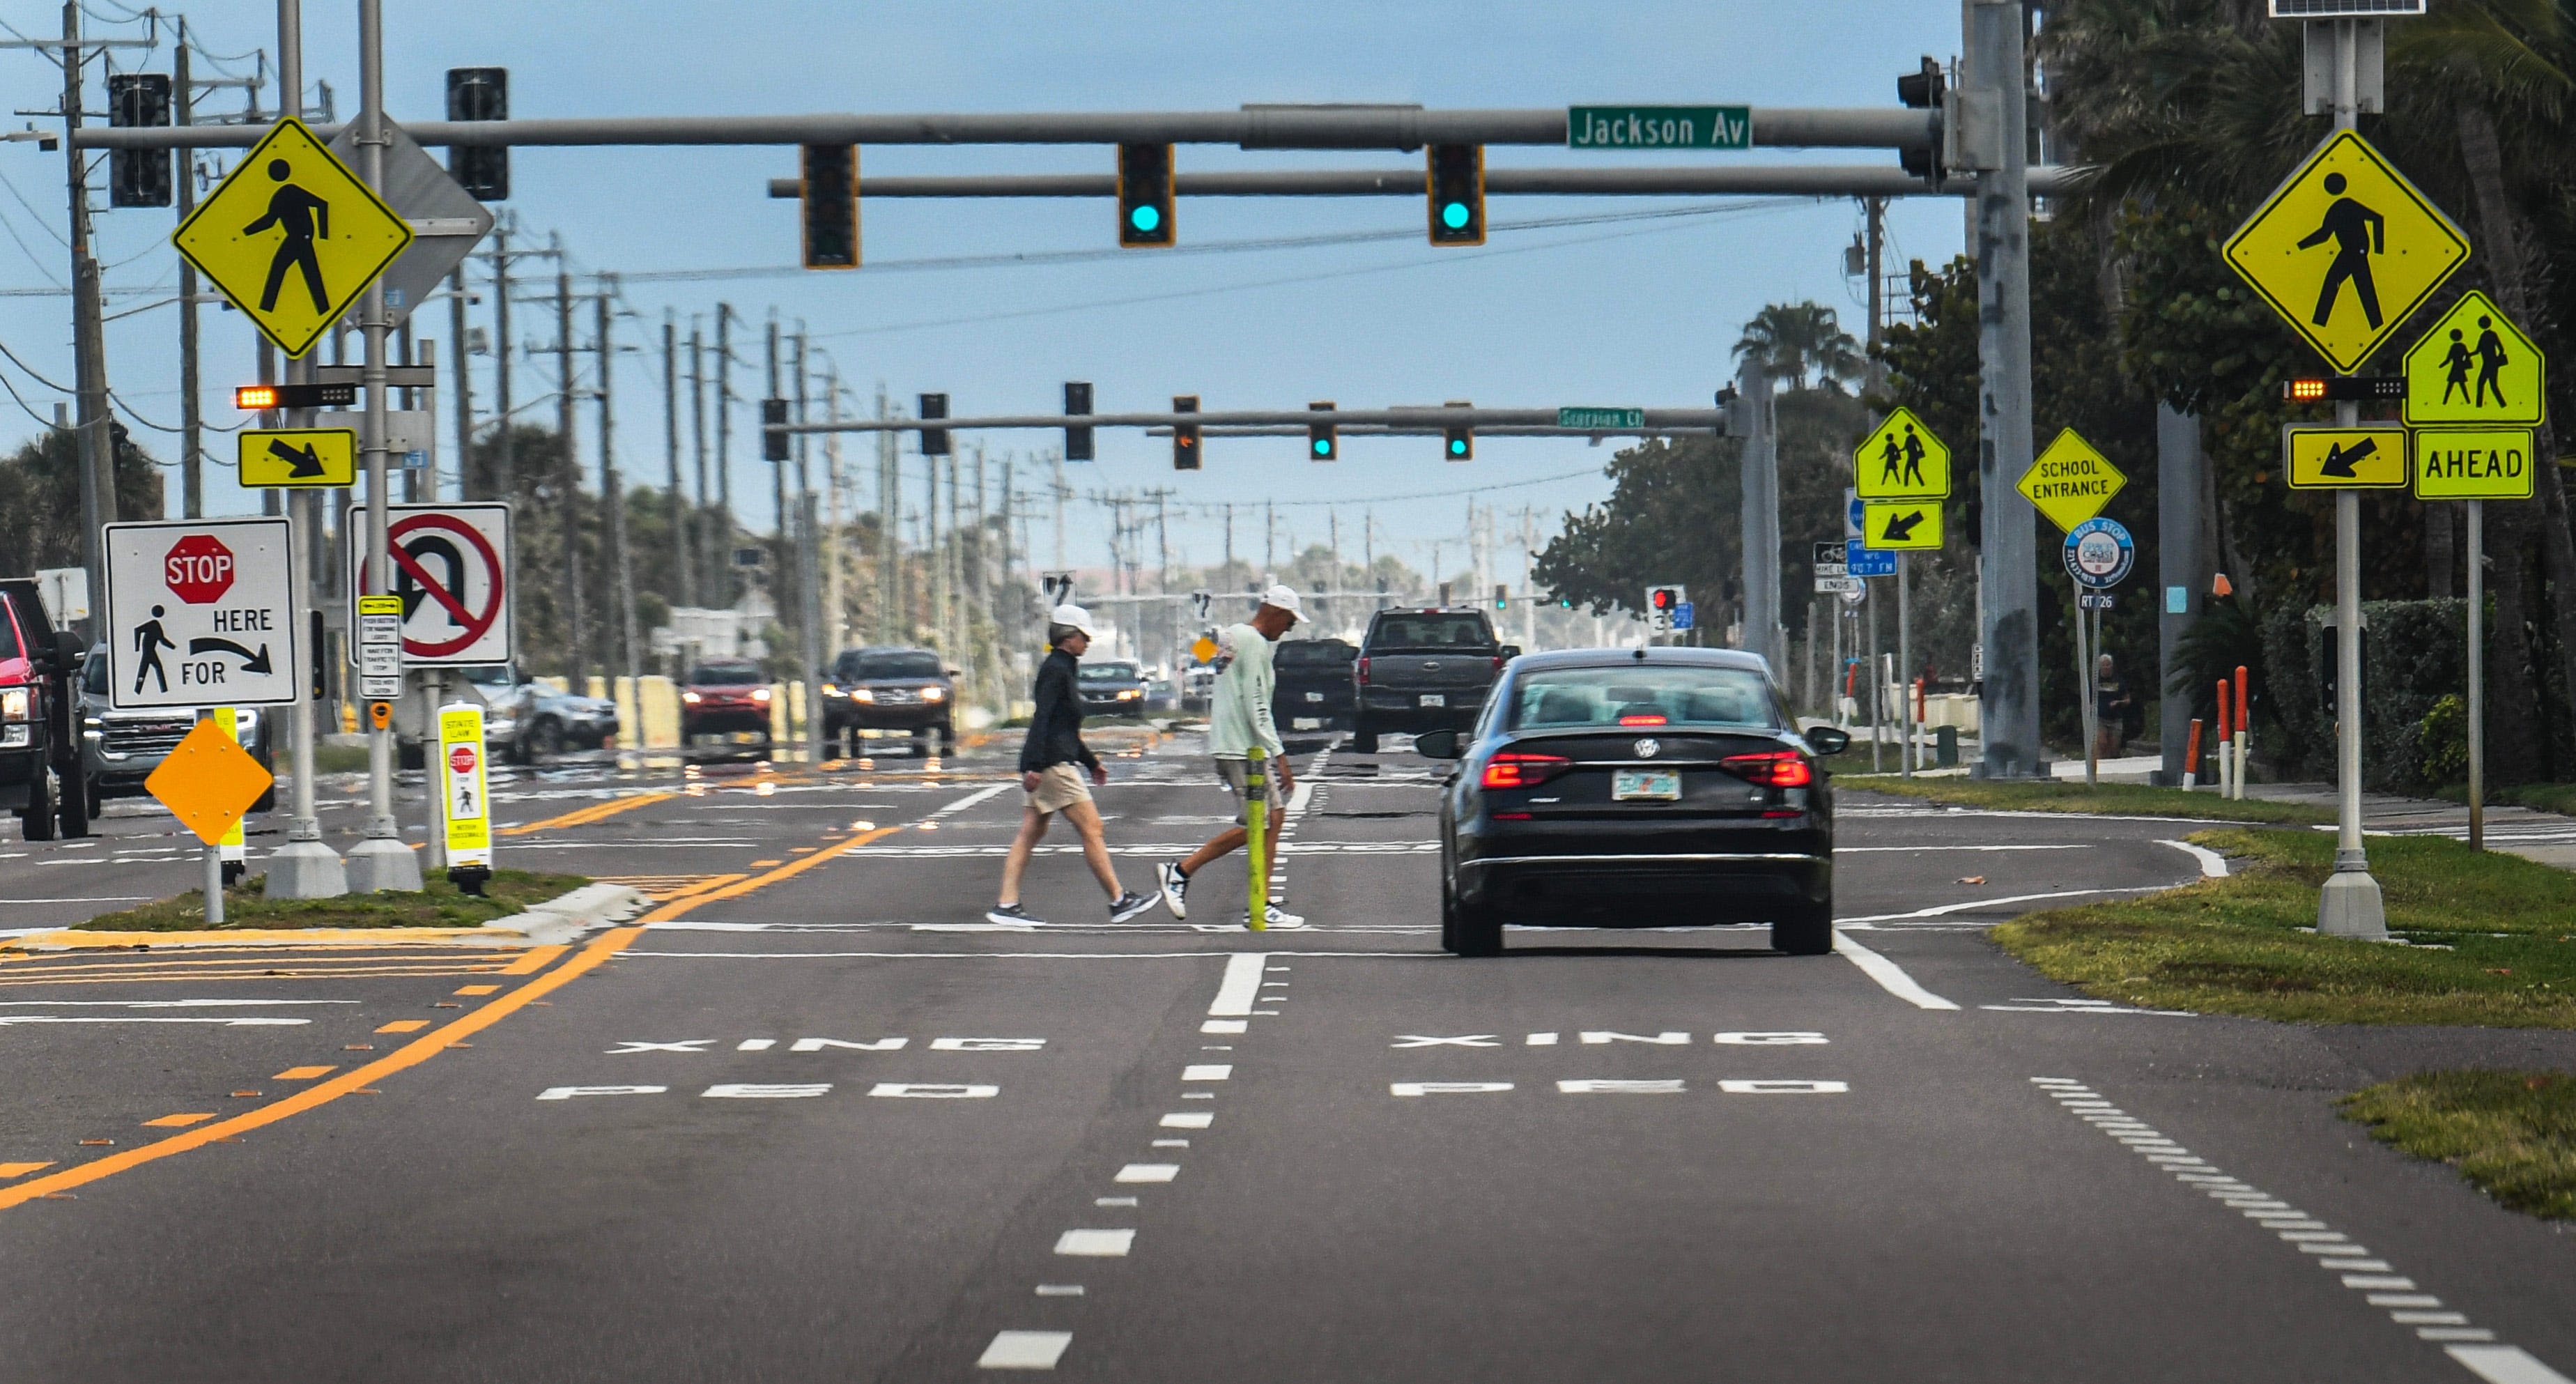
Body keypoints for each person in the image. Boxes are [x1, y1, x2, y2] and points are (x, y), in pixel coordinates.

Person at [989, 604, 1158, 925]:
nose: (1088, 642)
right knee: (1092, 829)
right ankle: (1120, 901)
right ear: (1069, 637)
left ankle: (1006, 905)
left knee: (1030, 833)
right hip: (1053, 765)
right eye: (1084, 636)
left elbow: (1065, 727)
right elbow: (1044, 719)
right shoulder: (1056, 669)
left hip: (1052, 760)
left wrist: (1091, 762)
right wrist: (1035, 764)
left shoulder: (1064, 667)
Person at [1159, 585, 1304, 928]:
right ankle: (1181, 872)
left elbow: (1198, 653)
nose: (1291, 629)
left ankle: (1262, 900)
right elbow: (1256, 704)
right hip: (1241, 747)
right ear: (1275, 612)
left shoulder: (1233, 635)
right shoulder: (1252, 642)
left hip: (1236, 744)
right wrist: (1280, 755)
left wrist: (1211, 638)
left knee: (1274, 816)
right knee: (1258, 822)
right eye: (1289, 621)